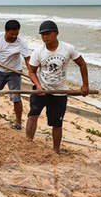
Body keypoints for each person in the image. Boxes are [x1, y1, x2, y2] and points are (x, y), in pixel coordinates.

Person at [26, 20, 89, 154]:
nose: (45, 37)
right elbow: (31, 72)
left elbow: (82, 64)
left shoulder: (68, 49)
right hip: (41, 90)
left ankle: (56, 150)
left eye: (48, 33)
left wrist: (85, 85)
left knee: (57, 123)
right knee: (33, 115)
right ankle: (28, 143)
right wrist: (38, 86)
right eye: (42, 35)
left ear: (56, 33)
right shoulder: (38, 52)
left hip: (59, 92)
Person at [0, 20, 31, 129]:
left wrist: (31, 73)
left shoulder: (21, 43)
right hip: (0, 71)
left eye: (16, 34)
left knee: (15, 97)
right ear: (6, 31)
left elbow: (27, 59)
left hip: (14, 73)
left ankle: (18, 122)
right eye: (12, 34)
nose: (14, 36)